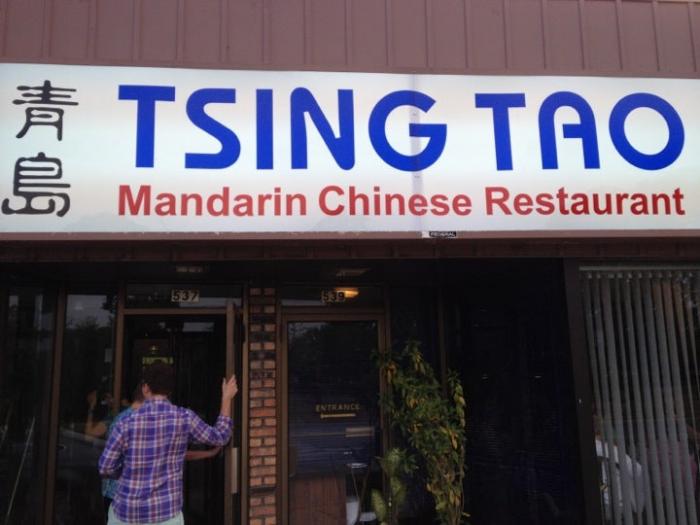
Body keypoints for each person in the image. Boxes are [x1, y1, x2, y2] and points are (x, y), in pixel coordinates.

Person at [99, 363, 237, 525]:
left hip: (127, 513)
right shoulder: (184, 418)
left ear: (145, 388)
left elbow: (105, 467)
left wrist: (126, 472)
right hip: (166, 514)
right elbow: (220, 436)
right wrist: (226, 398)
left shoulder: (125, 422)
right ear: (169, 391)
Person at [102, 384, 145, 516]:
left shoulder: (126, 418)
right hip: (119, 494)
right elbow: (109, 463)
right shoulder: (127, 420)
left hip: (117, 493)